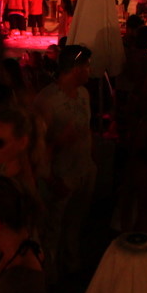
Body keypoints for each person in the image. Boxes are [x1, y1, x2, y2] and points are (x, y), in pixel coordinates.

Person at [34, 45, 96, 279]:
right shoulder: (48, 100)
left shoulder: (84, 95)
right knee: (53, 228)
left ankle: (71, 265)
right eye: (87, 66)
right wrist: (50, 178)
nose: (90, 71)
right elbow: (37, 145)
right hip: (59, 176)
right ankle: (49, 274)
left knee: (75, 223)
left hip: (83, 170)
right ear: (77, 69)